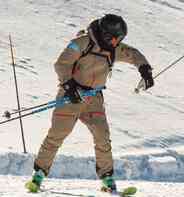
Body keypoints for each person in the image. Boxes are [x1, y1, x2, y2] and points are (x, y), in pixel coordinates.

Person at [25, 14, 154, 193]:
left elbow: (133, 54)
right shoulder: (82, 42)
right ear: (107, 34)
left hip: (94, 99)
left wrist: (145, 70)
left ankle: (107, 178)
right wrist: (70, 87)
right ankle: (38, 174)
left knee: (102, 136)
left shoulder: (113, 48)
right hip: (71, 97)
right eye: (116, 38)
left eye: (120, 39)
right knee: (57, 134)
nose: (118, 42)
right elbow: (61, 64)